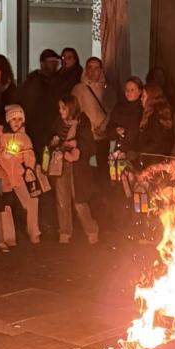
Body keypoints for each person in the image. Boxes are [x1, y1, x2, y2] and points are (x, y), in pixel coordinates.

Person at [0, 104, 46, 246]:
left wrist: (28, 169)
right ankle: (8, 237)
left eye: (20, 119)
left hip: (19, 176)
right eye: (14, 119)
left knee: (32, 201)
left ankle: (34, 231)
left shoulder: (24, 137)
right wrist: (1, 153)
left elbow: (29, 155)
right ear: (8, 120)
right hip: (3, 176)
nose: (17, 122)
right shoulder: (0, 134)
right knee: (5, 205)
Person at [47, 95, 99, 245]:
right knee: (62, 200)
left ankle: (91, 230)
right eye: (60, 108)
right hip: (61, 165)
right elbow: (51, 140)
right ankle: (65, 232)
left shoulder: (82, 121)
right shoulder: (58, 122)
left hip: (77, 167)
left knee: (79, 200)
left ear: (71, 107)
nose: (61, 111)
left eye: (64, 108)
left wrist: (77, 144)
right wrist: (54, 141)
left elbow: (89, 145)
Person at [20, 48, 63, 148]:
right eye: (51, 62)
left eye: (55, 62)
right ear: (43, 63)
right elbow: (29, 106)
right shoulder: (34, 82)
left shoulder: (57, 81)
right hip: (37, 127)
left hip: (51, 126)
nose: (54, 65)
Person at [109, 76, 144, 158]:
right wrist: (116, 130)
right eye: (127, 90)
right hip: (121, 152)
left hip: (138, 153)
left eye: (132, 90)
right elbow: (109, 129)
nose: (129, 92)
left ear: (139, 91)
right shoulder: (119, 107)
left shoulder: (143, 109)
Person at [139, 85, 175, 160]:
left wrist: (140, 152)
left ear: (151, 98)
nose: (141, 99)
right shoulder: (161, 114)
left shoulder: (154, 117)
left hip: (154, 160)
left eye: (143, 96)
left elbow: (157, 143)